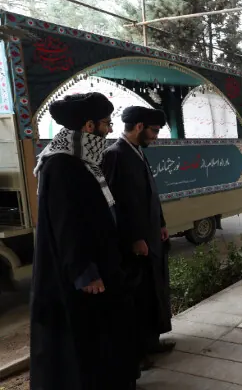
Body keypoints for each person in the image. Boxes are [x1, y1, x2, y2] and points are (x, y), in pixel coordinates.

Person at [30, 93, 138, 390]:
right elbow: (67, 224)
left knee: (106, 337)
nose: (109, 128)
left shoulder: (84, 160)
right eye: (106, 123)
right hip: (83, 276)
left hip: (103, 261)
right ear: (89, 126)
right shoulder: (61, 165)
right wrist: (84, 271)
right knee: (84, 343)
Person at [102, 106, 174, 372]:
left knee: (153, 293)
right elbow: (115, 204)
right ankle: (136, 353)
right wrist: (134, 238)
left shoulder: (138, 152)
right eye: (154, 131)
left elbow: (149, 194)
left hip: (151, 237)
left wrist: (162, 224)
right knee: (137, 300)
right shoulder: (114, 155)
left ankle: (151, 341)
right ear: (140, 126)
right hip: (134, 244)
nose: (155, 137)